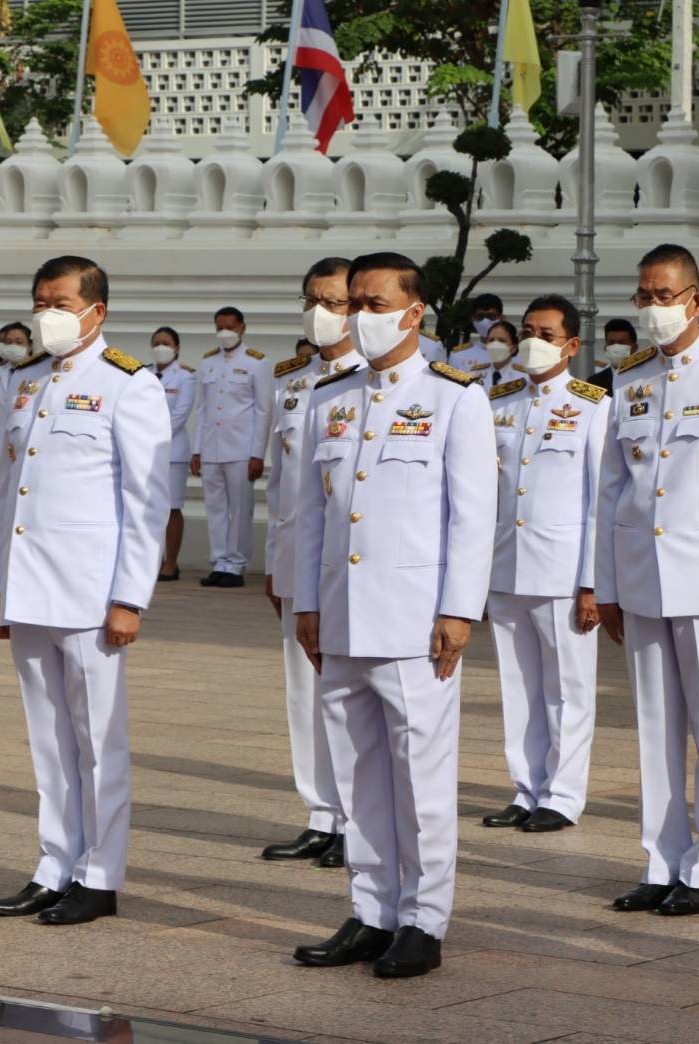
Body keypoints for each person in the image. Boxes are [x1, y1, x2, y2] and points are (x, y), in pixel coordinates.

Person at [291, 251, 495, 978]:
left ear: (414, 312)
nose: (358, 318)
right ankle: (371, 910)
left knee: (422, 779)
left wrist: (458, 610)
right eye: (353, 305)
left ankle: (423, 919)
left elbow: (473, 517)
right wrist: (307, 603)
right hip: (343, 618)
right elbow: (313, 515)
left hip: (416, 622)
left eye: (373, 305)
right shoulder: (330, 398)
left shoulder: (455, 397)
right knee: (356, 775)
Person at [0, 255, 171, 926]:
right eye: (40, 303)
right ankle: (52, 864)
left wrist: (130, 597)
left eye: (60, 303)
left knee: (98, 742)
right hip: (30, 589)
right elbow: (12, 493)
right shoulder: (26, 381)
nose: (47, 316)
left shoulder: (129, 384)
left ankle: (99, 874)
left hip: (92, 595)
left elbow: (146, 501)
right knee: (48, 742)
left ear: (97, 310)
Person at [594, 244, 699, 917]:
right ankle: (661, 859)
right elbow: (610, 491)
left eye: (666, 295)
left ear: (695, 300)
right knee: (654, 726)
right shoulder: (630, 378)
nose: (654, 309)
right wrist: (604, 583)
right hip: (641, 576)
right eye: (645, 296)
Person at [482, 294, 610, 834]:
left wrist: (591, 583)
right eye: (527, 331)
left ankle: (563, 794)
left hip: (562, 570)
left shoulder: (592, 405)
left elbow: (600, 500)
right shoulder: (499, 402)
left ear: (572, 345)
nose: (533, 342)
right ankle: (525, 787)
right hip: (506, 565)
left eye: (548, 334)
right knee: (519, 686)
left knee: (568, 688)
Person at [261, 257, 362, 868]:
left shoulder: (372, 379)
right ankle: (321, 813)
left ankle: (357, 818)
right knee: (305, 691)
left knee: (348, 692)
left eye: (333, 301)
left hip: (348, 562)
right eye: (311, 300)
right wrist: (276, 562)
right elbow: (280, 483)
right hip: (298, 556)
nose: (319, 312)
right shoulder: (292, 380)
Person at [191, 306, 270, 588]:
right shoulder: (208, 363)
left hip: (241, 449)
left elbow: (263, 411)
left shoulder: (256, 363)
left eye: (230, 327)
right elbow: (201, 409)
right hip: (212, 447)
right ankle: (219, 561)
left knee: (240, 509)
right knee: (215, 507)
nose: (224, 333)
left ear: (242, 328)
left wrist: (257, 454)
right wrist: (197, 450)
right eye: (220, 327)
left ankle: (235, 565)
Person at [0, 322, 35, 550]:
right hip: (0, 447)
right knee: (2, 499)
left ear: (30, 345)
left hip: (28, 445)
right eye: (8, 342)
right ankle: (2, 547)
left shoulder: (38, 372)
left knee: (25, 497)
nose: (13, 346)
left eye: (19, 342)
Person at [150, 325, 197, 582]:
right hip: (144, 451)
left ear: (176, 347)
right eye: (156, 342)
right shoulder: (143, 373)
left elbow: (180, 414)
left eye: (166, 343)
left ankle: (170, 562)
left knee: (171, 507)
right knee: (148, 507)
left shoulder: (185, 377)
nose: (160, 347)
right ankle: (150, 560)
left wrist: (150, 435)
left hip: (172, 451)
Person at [448, 292, 506, 378]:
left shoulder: (515, 353)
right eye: (480, 316)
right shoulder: (458, 356)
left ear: (501, 318)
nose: (485, 321)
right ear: (473, 319)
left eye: (491, 316)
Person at [589, 318, 638, 393]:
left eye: (621, 343)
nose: (616, 347)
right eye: (611, 343)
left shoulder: (645, 377)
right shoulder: (594, 382)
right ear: (605, 348)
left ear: (634, 348)